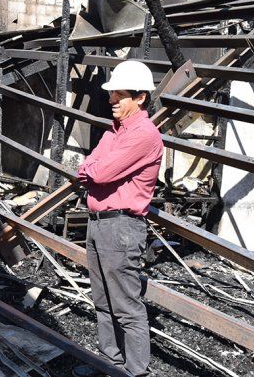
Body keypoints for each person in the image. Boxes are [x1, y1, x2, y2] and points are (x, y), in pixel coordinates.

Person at [73, 60, 163, 377]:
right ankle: (108, 363)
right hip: (100, 223)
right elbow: (87, 169)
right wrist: (92, 172)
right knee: (102, 301)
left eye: (119, 96)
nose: (111, 101)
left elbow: (101, 170)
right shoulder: (115, 132)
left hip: (121, 226)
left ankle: (136, 372)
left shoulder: (144, 135)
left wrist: (93, 173)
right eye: (112, 95)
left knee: (125, 306)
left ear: (140, 98)